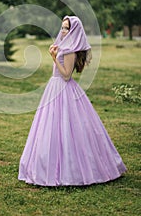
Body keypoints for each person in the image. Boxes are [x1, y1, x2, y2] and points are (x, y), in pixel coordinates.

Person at [18, 15, 127, 186]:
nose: (63, 31)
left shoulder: (69, 50)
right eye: (62, 27)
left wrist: (54, 58)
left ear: (74, 30)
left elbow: (66, 75)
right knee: (49, 126)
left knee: (68, 127)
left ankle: (71, 169)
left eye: (66, 28)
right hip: (54, 87)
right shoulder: (63, 46)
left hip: (63, 88)